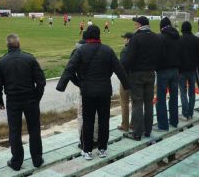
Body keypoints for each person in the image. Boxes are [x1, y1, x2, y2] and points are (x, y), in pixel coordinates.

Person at [57, 25, 130, 160]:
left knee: (88, 121)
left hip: (88, 92)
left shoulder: (81, 50)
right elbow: (119, 69)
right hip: (104, 91)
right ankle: (102, 149)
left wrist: (61, 86)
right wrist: (127, 85)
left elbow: (69, 68)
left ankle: (87, 150)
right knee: (103, 121)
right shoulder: (108, 50)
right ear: (99, 35)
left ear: (87, 36)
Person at [0, 34, 46, 171]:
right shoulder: (29, 58)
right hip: (28, 99)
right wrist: (36, 97)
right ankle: (37, 159)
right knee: (34, 129)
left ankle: (17, 162)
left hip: (15, 100)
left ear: (7, 45)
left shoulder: (2, 61)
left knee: (15, 131)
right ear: (19, 44)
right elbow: (41, 81)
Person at [121, 16, 162, 139]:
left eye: (135, 24)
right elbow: (161, 55)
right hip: (150, 73)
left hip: (137, 74)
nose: (135, 27)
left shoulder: (136, 37)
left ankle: (137, 132)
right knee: (148, 103)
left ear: (139, 25)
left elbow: (129, 57)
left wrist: (124, 72)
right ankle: (147, 130)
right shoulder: (156, 37)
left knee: (137, 103)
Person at [156, 17, 180, 131]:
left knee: (161, 99)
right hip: (175, 70)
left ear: (161, 27)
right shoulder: (177, 37)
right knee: (174, 97)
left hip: (163, 71)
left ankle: (163, 125)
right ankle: (174, 121)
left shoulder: (160, 37)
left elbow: (158, 55)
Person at [178, 21, 199, 120]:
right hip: (193, 69)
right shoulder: (196, 40)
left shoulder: (179, 40)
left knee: (183, 92)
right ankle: (190, 113)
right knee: (192, 92)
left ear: (182, 29)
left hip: (182, 70)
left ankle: (185, 113)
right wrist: (196, 64)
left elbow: (177, 55)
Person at [117, 32, 134, 132]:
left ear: (128, 40)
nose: (124, 40)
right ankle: (133, 124)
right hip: (136, 78)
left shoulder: (125, 50)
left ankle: (125, 125)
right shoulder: (138, 49)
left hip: (126, 79)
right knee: (135, 102)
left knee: (124, 102)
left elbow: (122, 66)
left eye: (125, 38)